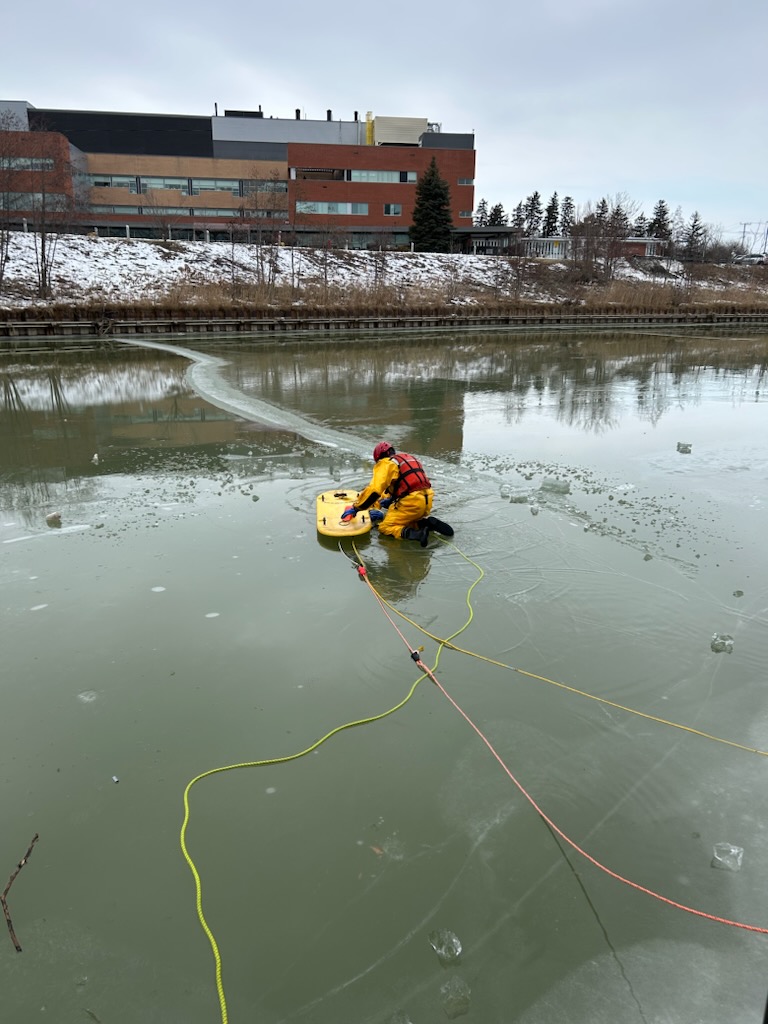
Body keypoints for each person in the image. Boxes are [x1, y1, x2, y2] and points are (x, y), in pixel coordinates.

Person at [341, 442, 454, 546]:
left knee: (385, 527)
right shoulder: (408, 459)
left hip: (411, 502)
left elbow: (374, 491)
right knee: (403, 522)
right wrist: (390, 500)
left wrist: (356, 508)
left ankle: (417, 535)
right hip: (427, 499)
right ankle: (426, 524)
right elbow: (408, 483)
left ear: (379, 457)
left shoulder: (386, 463)